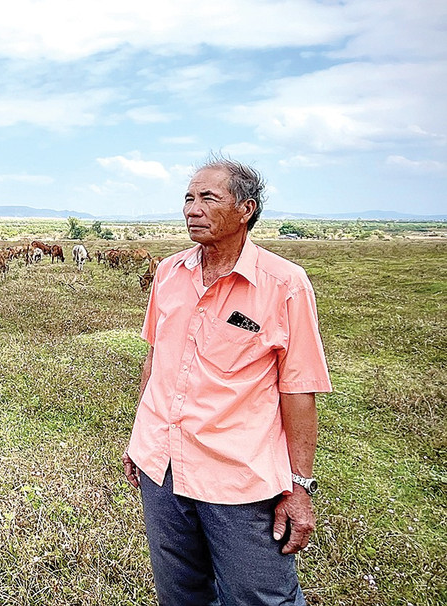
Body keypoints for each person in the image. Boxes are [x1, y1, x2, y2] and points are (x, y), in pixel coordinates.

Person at [122, 156, 331, 605]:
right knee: (180, 593)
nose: (192, 209)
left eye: (208, 198)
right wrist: (140, 439)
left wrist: (299, 485)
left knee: (259, 596)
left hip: (237, 477)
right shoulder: (169, 273)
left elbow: (299, 390)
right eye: (188, 198)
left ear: (246, 209)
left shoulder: (284, 284)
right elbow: (156, 359)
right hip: (162, 466)